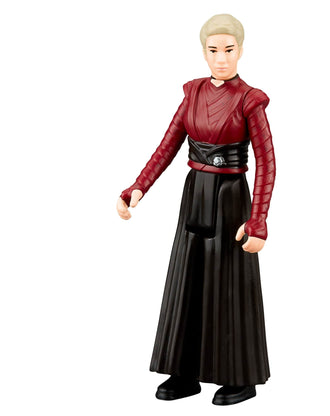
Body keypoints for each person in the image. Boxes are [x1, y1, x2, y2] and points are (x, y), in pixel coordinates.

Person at [117, 13, 276, 406]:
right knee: (186, 279)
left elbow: (267, 162)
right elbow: (167, 146)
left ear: (241, 50)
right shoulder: (192, 94)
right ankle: (184, 371)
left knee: (230, 284)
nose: (221, 58)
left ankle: (240, 377)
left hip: (231, 199)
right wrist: (138, 187)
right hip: (194, 195)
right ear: (203, 52)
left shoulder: (250, 100)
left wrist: (257, 220)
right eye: (213, 50)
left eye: (229, 49)